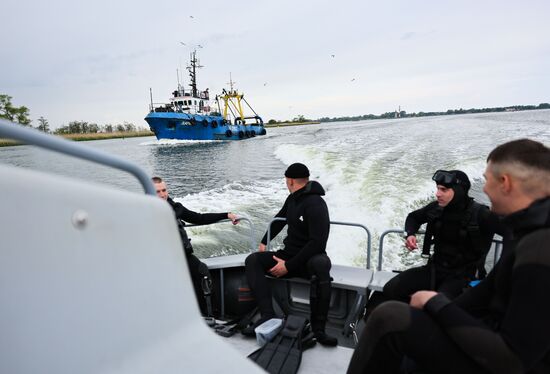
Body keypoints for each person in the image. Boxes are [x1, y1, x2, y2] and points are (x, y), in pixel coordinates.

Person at [347, 139, 550, 374]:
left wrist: (436, 303)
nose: (484, 188)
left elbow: (514, 360)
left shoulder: (539, 245)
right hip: (439, 272)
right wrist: (432, 308)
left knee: (390, 316)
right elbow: (481, 298)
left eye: (486, 180)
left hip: (467, 291)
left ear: (505, 182)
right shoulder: (527, 235)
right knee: (392, 297)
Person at [244, 163, 338, 346]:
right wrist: (264, 241)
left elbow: (317, 243)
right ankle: (268, 316)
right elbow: (279, 219)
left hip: (309, 259)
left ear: (291, 181)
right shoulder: (292, 199)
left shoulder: (316, 203)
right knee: (253, 260)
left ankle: (319, 330)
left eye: (286, 181)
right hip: (288, 256)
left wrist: (288, 266)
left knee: (322, 265)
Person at [382, 170, 497, 302]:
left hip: (463, 277)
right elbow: (413, 217)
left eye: (444, 190)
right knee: (391, 289)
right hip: (434, 270)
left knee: (438, 305)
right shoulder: (436, 209)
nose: (437, 194)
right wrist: (410, 234)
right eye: (437, 188)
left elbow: (511, 232)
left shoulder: (481, 214)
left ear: (459, 190)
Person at [152, 177, 239, 314]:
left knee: (202, 272)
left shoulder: (176, 208)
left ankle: (208, 314)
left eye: (164, 190)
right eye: (158, 192)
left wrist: (226, 215)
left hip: (183, 256)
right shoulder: (146, 211)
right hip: (161, 259)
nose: (163, 194)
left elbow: (199, 218)